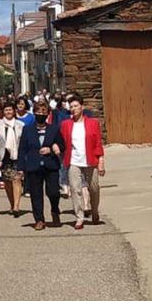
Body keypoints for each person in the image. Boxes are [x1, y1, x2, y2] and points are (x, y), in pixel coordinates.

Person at [59, 93, 106, 230]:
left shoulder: (92, 123)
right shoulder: (66, 125)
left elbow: (98, 143)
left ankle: (95, 211)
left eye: (76, 106)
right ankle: (79, 217)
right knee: (75, 189)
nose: (73, 109)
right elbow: (61, 142)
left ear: (82, 107)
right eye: (71, 107)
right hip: (74, 161)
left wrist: (101, 161)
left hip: (90, 160)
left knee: (94, 188)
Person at [17, 101, 64, 230]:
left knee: (53, 191)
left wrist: (52, 149)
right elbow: (22, 149)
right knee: (36, 194)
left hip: (51, 165)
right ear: (34, 113)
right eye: (38, 111)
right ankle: (39, 219)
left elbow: (62, 145)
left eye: (43, 111)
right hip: (34, 165)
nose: (40, 114)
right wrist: (21, 168)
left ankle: (55, 209)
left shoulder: (54, 129)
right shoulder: (28, 129)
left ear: (48, 113)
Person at [0, 102, 25, 216]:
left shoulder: (20, 125)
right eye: (6, 110)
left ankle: (16, 206)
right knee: (7, 182)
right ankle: (11, 204)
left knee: (17, 179)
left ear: (14, 111)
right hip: (4, 157)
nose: (8, 112)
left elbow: (24, 142)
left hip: (17, 156)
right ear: (3, 112)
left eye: (10, 110)